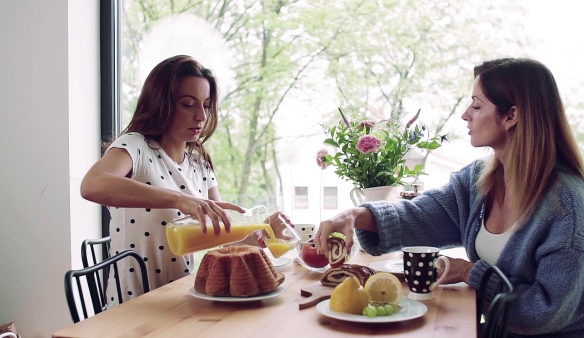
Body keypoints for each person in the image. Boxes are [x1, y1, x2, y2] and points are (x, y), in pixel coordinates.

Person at [314, 58, 584, 337]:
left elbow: (544, 312)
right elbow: (417, 216)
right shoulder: (478, 181)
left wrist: (470, 273)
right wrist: (354, 215)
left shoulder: (568, 206)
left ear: (511, 116)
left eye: (477, 105)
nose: (465, 114)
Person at [81, 55, 291, 305]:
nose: (201, 116)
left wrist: (263, 233)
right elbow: (93, 184)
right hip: (133, 307)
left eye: (206, 105)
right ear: (161, 103)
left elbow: (222, 245)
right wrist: (181, 200)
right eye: (188, 104)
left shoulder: (200, 165)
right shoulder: (136, 146)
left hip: (181, 300)